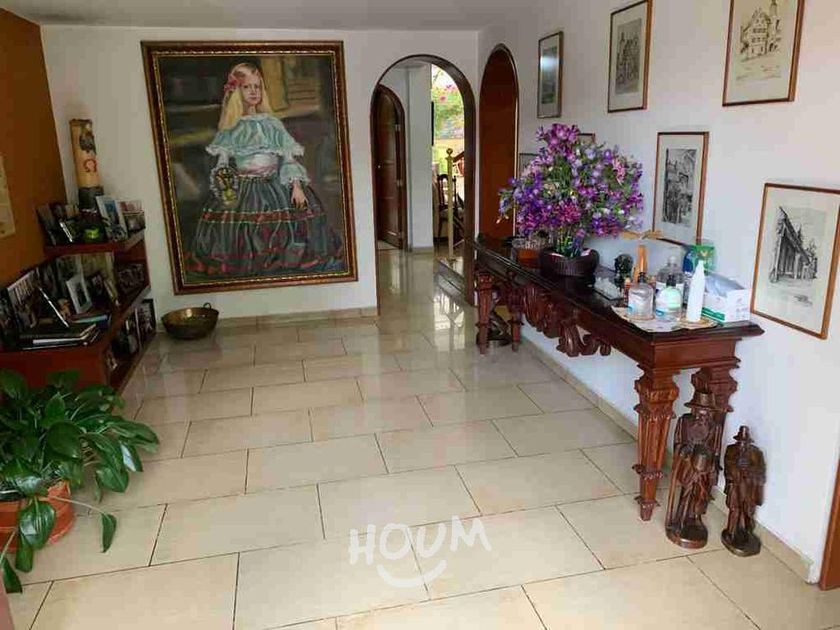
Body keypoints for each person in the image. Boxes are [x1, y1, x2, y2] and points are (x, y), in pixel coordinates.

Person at [187, 62, 342, 277]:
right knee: (241, 227)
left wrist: (296, 187)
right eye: (247, 87)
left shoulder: (271, 124)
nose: (253, 92)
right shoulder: (231, 128)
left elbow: (288, 159)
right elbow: (223, 165)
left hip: (275, 186)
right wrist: (225, 186)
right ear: (236, 91)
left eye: (257, 87)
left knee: (287, 225)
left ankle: (284, 259)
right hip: (244, 187)